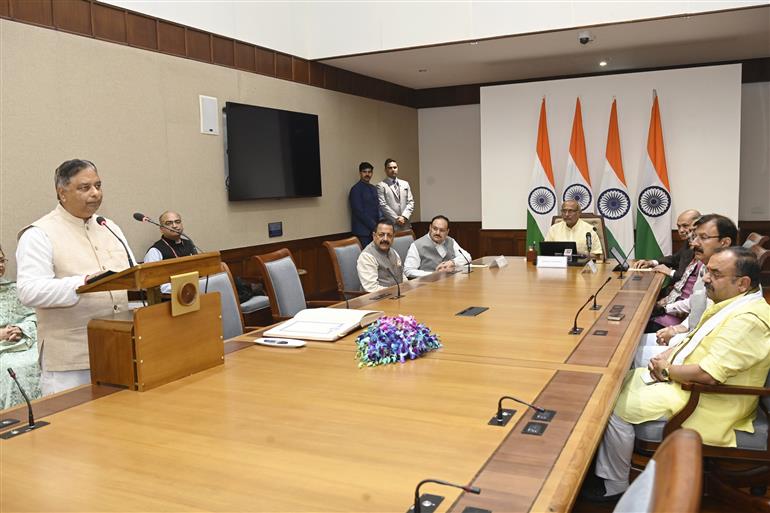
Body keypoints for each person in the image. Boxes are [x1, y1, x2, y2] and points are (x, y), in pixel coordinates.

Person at [584, 246, 770, 502]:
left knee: (613, 406)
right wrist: (669, 355)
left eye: (715, 274)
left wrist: (667, 370)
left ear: (743, 283)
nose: (706, 278)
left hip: (709, 402)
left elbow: (708, 374)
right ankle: (604, 464)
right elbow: (697, 338)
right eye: (707, 271)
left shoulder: (747, 320)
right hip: (690, 387)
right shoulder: (733, 304)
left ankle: (614, 485)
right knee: (612, 385)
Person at [16, 159, 135, 396]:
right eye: (85, 187)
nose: (96, 193)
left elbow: (134, 275)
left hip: (119, 349)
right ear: (62, 193)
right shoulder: (39, 234)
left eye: (98, 186)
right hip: (70, 361)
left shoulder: (109, 227)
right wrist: (82, 283)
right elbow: (29, 291)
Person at [634, 214, 736, 366]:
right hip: (688, 338)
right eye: (695, 237)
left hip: (697, 352)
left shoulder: (730, 281)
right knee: (632, 344)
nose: (694, 243)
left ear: (725, 242)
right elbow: (697, 306)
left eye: (703, 237)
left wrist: (675, 340)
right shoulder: (705, 267)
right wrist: (676, 326)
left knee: (629, 354)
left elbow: (708, 333)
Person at [0, 246, 41, 409]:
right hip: (3, 349)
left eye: (1, 260)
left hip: (22, 343)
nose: (0, 265)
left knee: (43, 357)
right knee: (13, 369)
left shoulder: (13, 289)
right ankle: (14, 416)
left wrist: (21, 329)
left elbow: (33, 317)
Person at [633, 209, 701, 281]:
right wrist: (651, 262)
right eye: (679, 226)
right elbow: (675, 259)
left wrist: (669, 271)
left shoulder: (701, 247)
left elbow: (687, 276)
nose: (681, 230)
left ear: (697, 225)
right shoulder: (688, 241)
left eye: (685, 226)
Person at [143, 211, 198, 294]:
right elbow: (152, 282)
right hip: (170, 294)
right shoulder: (155, 251)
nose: (174, 226)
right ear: (161, 229)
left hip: (193, 288)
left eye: (177, 222)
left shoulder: (189, 244)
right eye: (169, 223)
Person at [404, 215, 472, 278]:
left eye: (442, 230)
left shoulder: (450, 241)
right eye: (435, 229)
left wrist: (452, 262)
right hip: (428, 283)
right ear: (430, 227)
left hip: (450, 281)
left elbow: (467, 257)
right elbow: (408, 270)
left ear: (447, 231)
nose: (437, 233)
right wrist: (433, 274)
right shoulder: (416, 245)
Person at [356, 219, 407, 292]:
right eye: (381, 235)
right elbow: (371, 288)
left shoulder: (394, 252)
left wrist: (408, 288)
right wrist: (395, 291)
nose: (385, 239)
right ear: (374, 236)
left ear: (393, 237)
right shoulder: (366, 256)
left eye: (389, 235)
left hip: (399, 295)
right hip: (379, 297)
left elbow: (402, 277)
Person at [377, 158, 414, 231]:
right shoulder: (381, 186)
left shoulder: (405, 184)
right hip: (391, 224)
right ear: (385, 170)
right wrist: (396, 219)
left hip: (406, 223)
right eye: (390, 168)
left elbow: (410, 202)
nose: (393, 170)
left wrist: (404, 217)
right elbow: (382, 205)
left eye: (395, 167)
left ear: (398, 168)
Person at [348, 162, 380, 248]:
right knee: (366, 255)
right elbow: (358, 211)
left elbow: (378, 208)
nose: (367, 174)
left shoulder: (374, 188)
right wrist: (374, 226)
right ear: (360, 173)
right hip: (362, 232)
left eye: (369, 172)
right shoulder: (355, 189)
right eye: (364, 172)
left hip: (375, 231)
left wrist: (379, 226)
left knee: (376, 254)